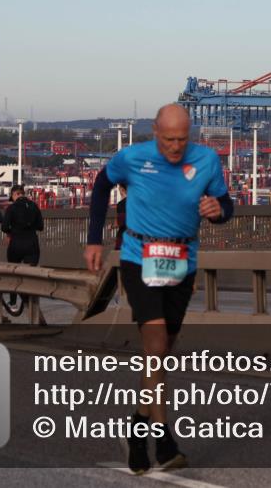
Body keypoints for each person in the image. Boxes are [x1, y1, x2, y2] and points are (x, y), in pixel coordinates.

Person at [84, 104, 233, 475]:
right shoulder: (132, 158)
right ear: (155, 132)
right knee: (156, 345)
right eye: (168, 140)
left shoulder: (207, 160)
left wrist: (219, 210)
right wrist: (94, 240)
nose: (175, 147)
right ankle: (162, 439)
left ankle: (140, 427)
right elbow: (101, 186)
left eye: (182, 139)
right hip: (139, 256)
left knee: (163, 353)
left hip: (182, 258)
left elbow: (226, 205)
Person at [1, 184, 44, 313]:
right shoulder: (34, 206)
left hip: (16, 244)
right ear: (23, 194)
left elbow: (4, 227)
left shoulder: (11, 208)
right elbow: (40, 227)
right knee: (30, 275)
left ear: (15, 195)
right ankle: (31, 303)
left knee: (13, 273)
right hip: (32, 244)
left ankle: (13, 302)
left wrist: (12, 232)